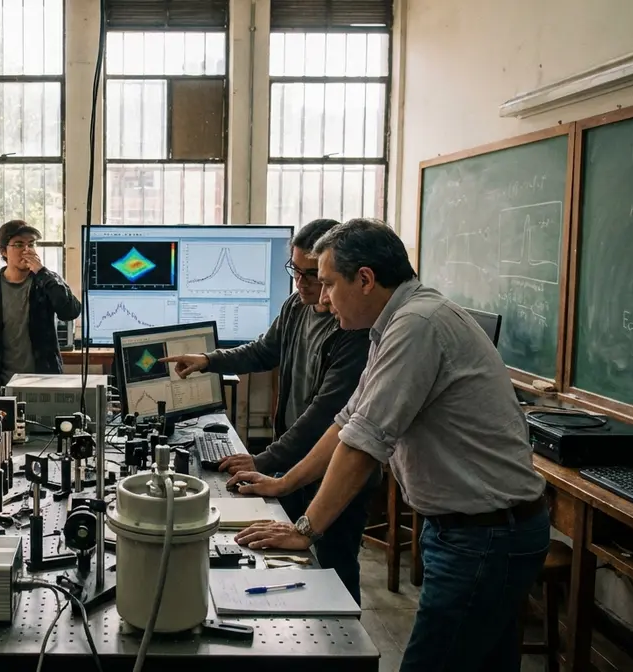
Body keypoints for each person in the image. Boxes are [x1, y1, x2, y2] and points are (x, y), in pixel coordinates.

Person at [231, 218, 549, 671]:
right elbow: (347, 422)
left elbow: (363, 445)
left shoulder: (417, 326)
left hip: (485, 536)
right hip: (471, 529)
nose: (322, 299)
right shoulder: (395, 324)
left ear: (365, 279)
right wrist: (284, 484)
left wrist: (304, 530)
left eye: (328, 284)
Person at [159, 218, 373, 605]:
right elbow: (262, 351)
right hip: (294, 460)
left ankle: (342, 635)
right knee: (282, 552)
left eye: (313, 275)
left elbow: (324, 415)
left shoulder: (354, 330)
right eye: (295, 270)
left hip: (334, 468)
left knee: (335, 563)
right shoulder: (296, 306)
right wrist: (209, 360)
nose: (302, 283)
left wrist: (263, 459)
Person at [0, 219, 82, 394]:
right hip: (0, 382)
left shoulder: (45, 281)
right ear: (4, 251)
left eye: (31, 244)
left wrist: (42, 272)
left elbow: (70, 311)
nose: (27, 250)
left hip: (43, 380)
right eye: (19, 244)